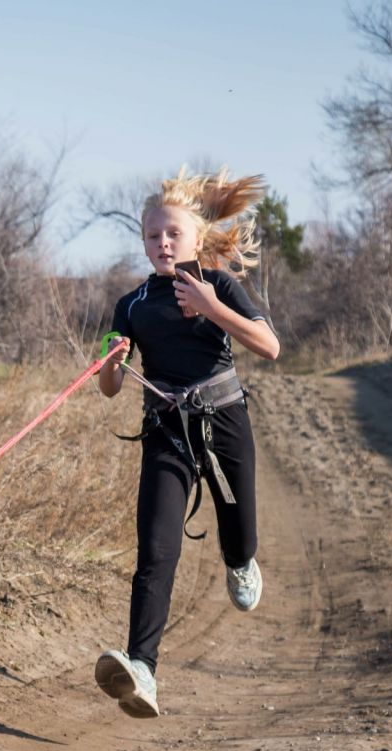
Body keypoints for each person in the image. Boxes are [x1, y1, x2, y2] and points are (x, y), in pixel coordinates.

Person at [95, 167, 280, 719]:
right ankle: (142, 670)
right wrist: (114, 360)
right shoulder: (130, 305)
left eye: (173, 233)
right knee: (156, 552)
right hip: (165, 432)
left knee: (239, 531)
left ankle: (240, 559)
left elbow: (269, 346)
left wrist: (210, 306)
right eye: (153, 236)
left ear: (197, 238)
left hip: (224, 421)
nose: (163, 243)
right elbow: (107, 387)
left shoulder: (219, 285)